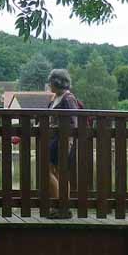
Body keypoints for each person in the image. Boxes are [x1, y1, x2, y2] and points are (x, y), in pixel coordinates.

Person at [45, 68, 79, 214]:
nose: (49, 85)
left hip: (64, 140)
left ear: (56, 82)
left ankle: (61, 205)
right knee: (56, 172)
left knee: (57, 172)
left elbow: (73, 122)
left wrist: (54, 125)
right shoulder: (55, 98)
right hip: (55, 139)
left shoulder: (68, 98)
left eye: (50, 82)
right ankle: (61, 206)